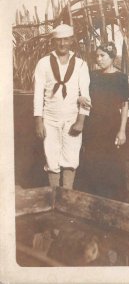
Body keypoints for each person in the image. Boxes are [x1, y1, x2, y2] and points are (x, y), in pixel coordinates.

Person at [33, 24, 91, 193]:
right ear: (53, 41)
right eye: (59, 40)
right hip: (49, 119)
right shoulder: (43, 63)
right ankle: (54, 199)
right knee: (52, 158)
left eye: (66, 39)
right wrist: (39, 121)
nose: (62, 44)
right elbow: (38, 95)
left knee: (71, 158)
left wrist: (81, 121)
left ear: (72, 41)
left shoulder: (80, 65)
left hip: (72, 119)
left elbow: (85, 95)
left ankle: (67, 198)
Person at [79, 41, 129, 201]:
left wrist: (122, 130)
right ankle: (93, 200)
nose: (99, 59)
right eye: (97, 56)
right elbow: (81, 92)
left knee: (112, 162)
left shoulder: (121, 78)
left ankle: (112, 201)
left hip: (111, 126)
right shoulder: (92, 76)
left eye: (103, 56)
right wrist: (80, 97)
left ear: (112, 57)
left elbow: (124, 105)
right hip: (93, 125)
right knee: (93, 161)